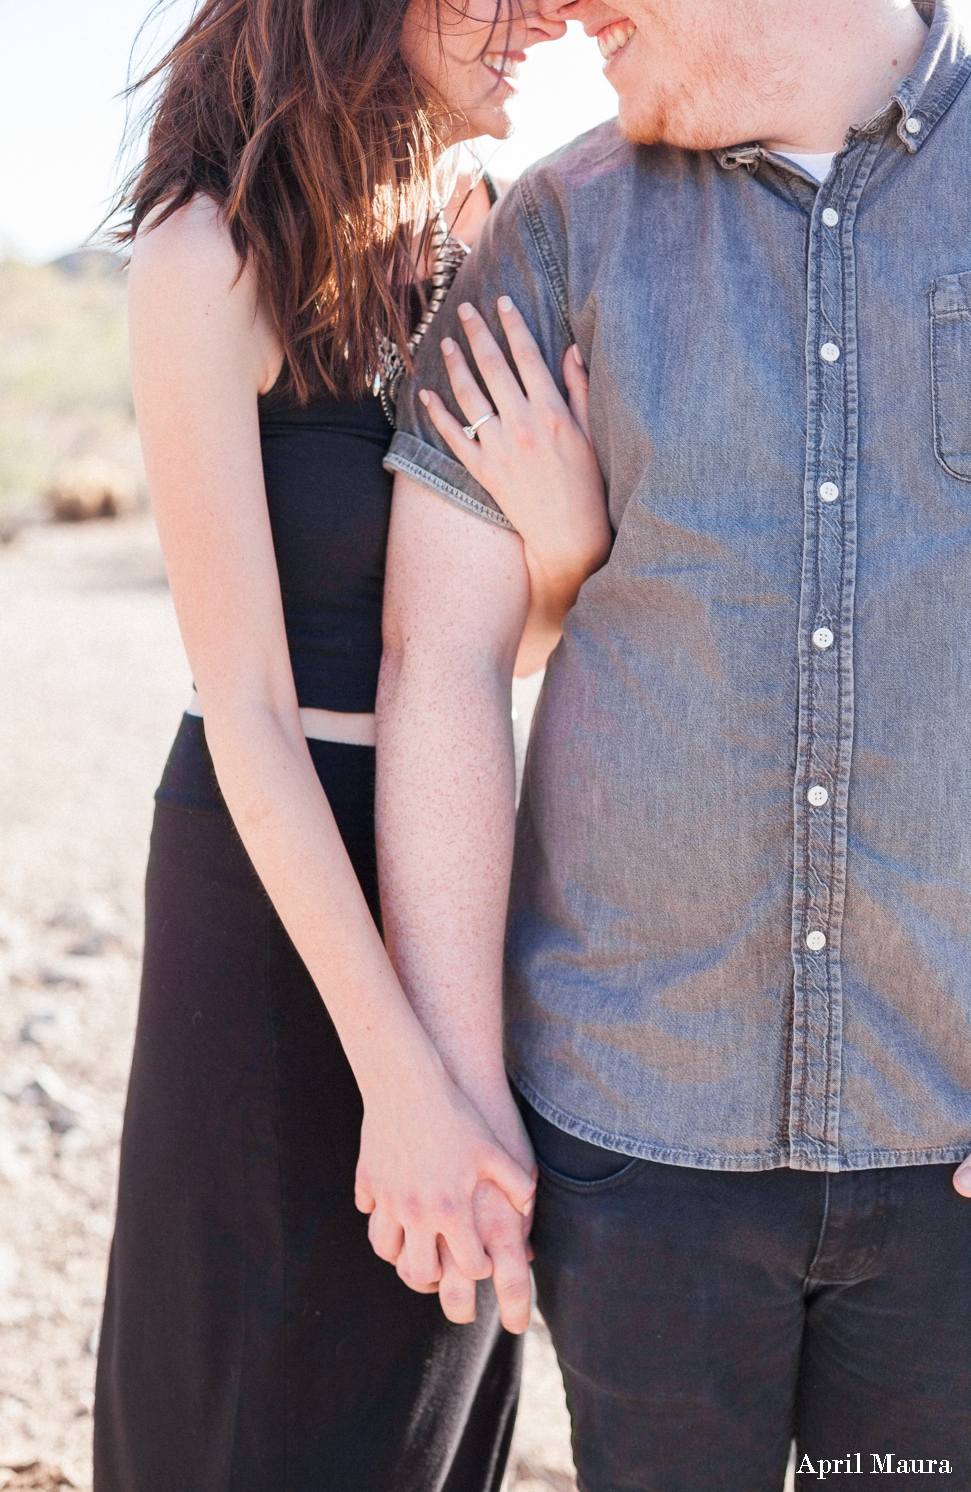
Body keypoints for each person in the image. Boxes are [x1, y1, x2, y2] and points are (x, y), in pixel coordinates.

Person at [377, 0, 971, 1485]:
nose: (564, 10)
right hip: (635, 1138)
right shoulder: (559, 229)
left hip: (950, 1144)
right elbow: (438, 661)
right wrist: (455, 1081)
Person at [90, 0, 609, 1485]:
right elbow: (244, 699)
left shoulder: (499, 238)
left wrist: (564, 560)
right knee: (249, 1394)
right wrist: (400, 1073)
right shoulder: (212, 256)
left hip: (457, 853)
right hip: (268, 886)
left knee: (432, 1362)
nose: (541, 23)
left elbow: (478, 649)